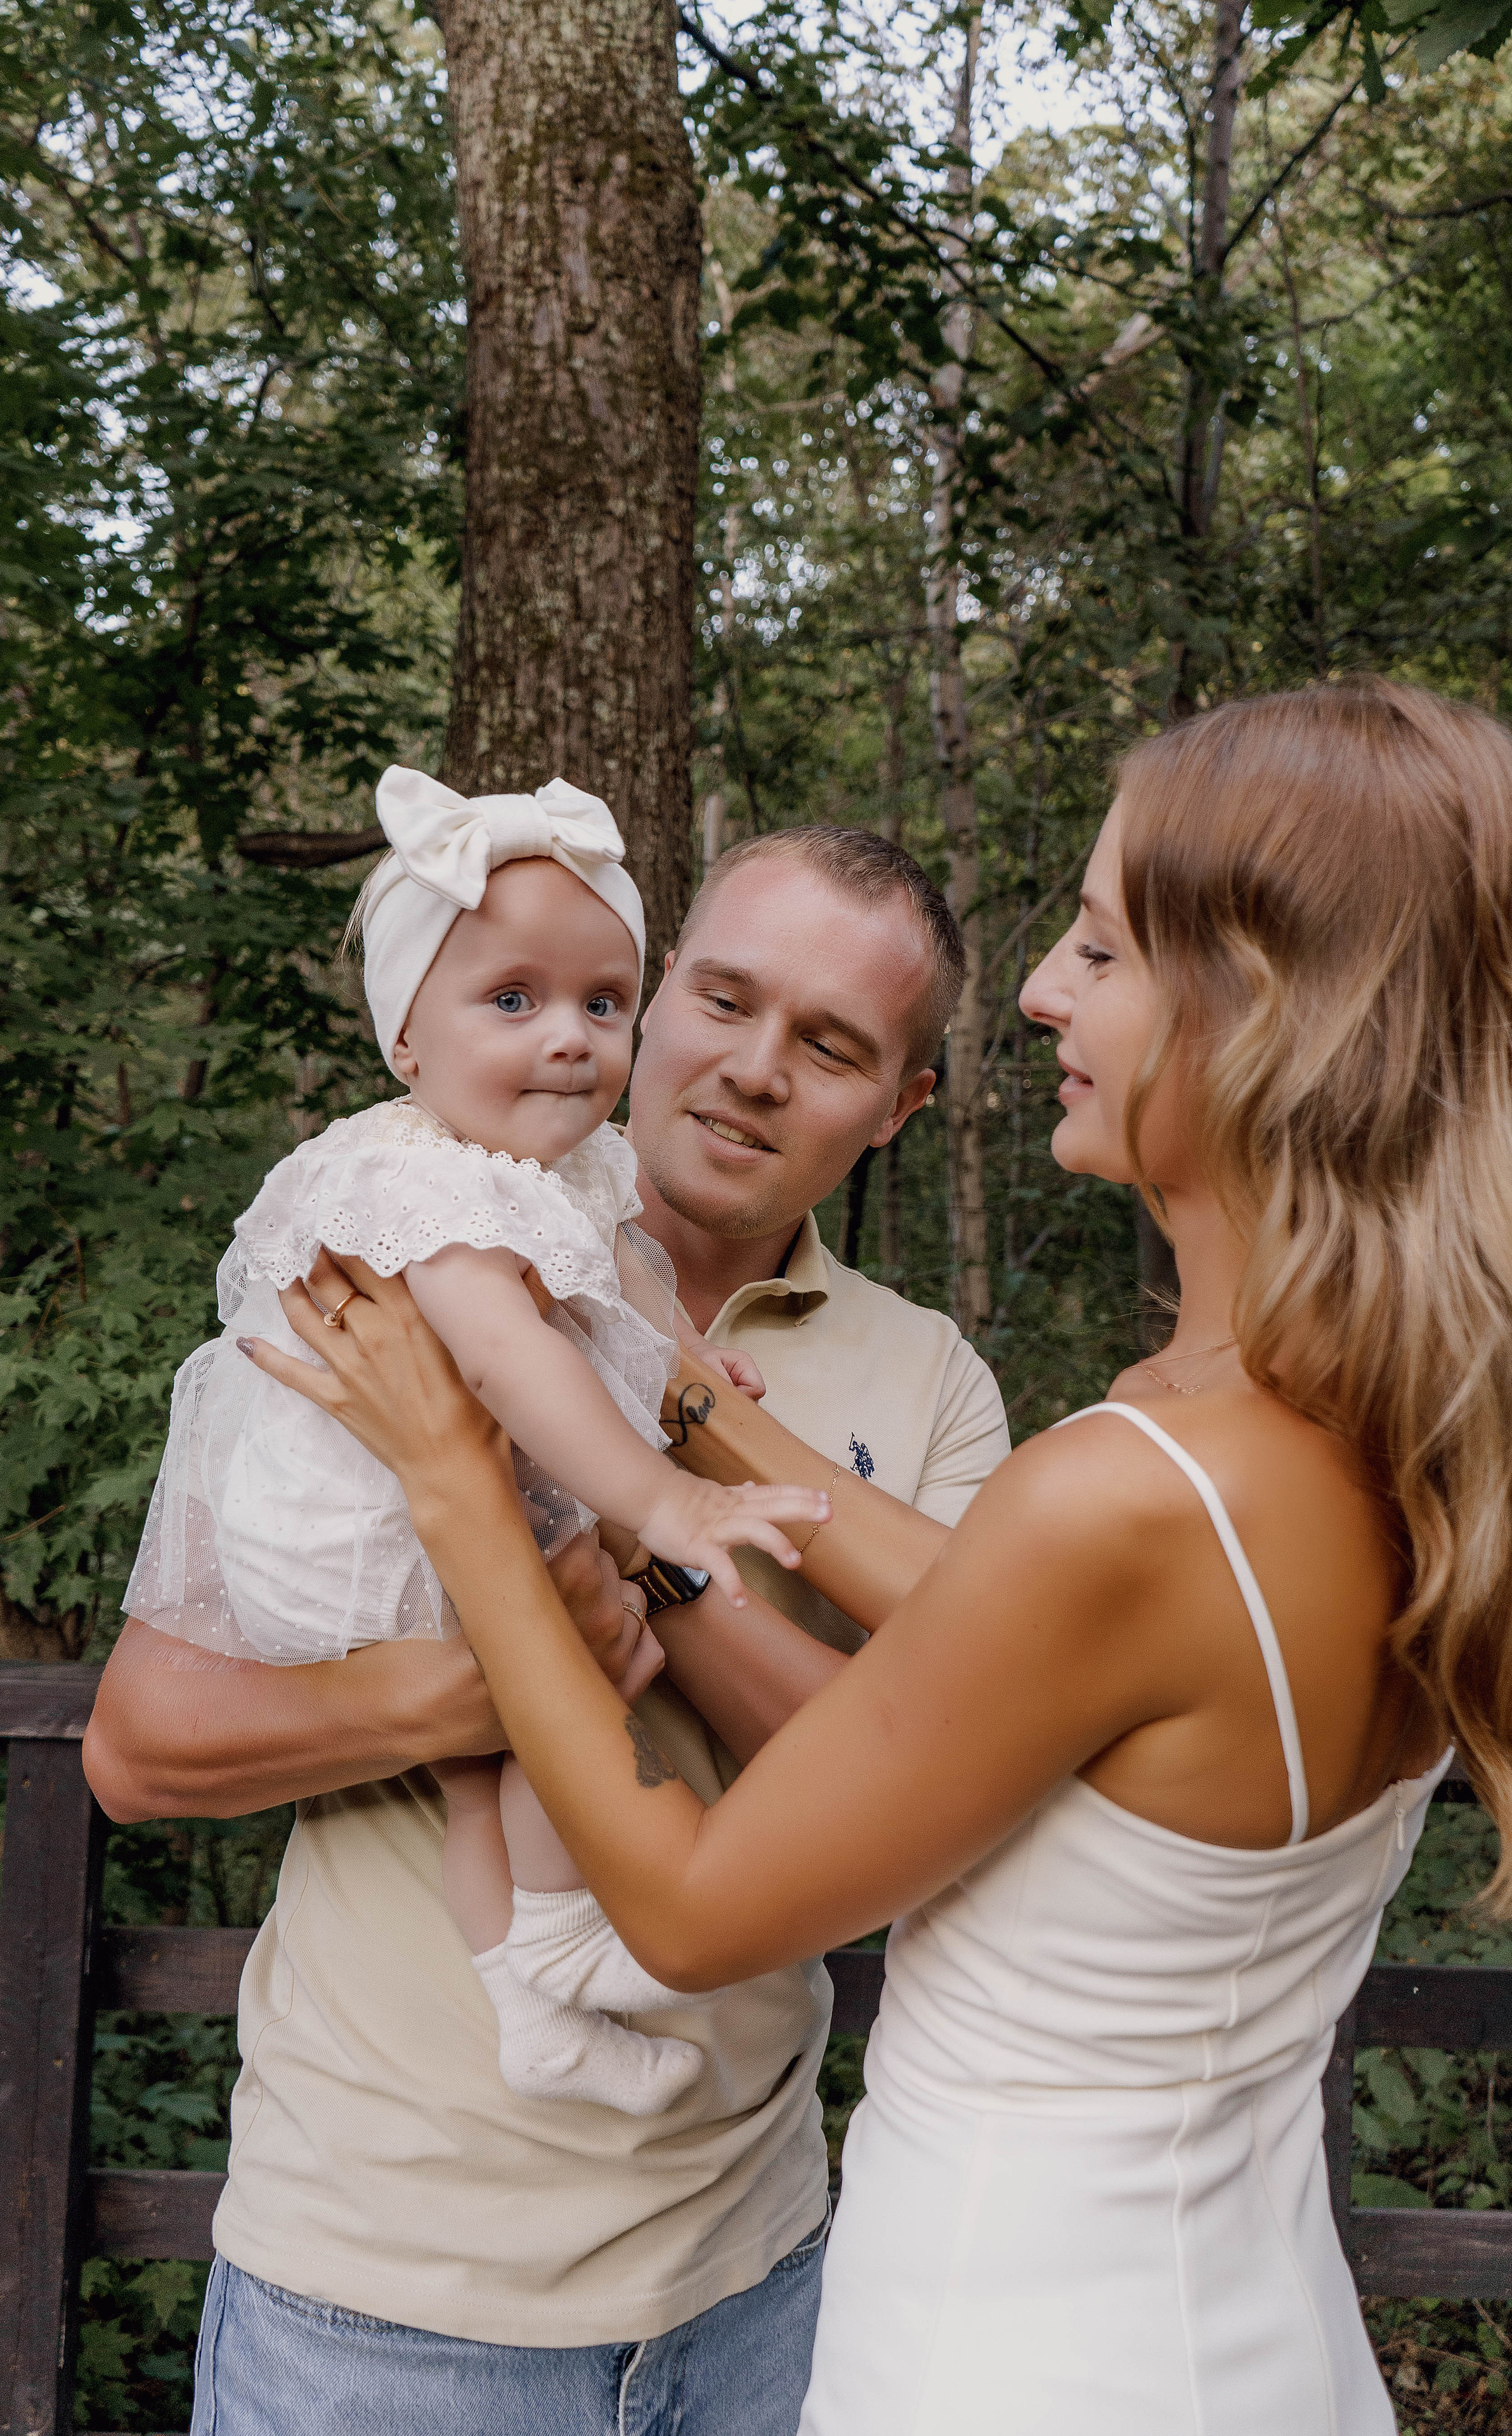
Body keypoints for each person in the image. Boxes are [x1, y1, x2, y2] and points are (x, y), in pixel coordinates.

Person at [254, 680, 1506, 2435]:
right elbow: (998, 1617)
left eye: (1099, 949)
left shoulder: (1128, 1490)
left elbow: (691, 1908)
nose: (1052, 996)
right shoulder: (1386, 1448)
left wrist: (469, 1483)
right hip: (1245, 2329)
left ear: (1264, 1015)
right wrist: (663, 1400)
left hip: (1024, 2361)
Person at [82, 823, 1009, 2433]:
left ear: (900, 1104)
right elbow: (138, 1750)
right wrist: (491, 1670)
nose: (752, 1071)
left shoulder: (932, 1385)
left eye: (834, 1045)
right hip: (373, 2289)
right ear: (660, 1011)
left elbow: (908, 1794)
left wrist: (617, 1531)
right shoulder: (386, 1260)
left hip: (755, 2281)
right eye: (721, 1001)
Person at [124, 766, 826, 2119]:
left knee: (494, 1743)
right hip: (346, 1532)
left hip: (410, 1501)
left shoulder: (557, 1175)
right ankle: (562, 1926)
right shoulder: (417, 1185)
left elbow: (615, 1293)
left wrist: (694, 1374)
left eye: (602, 1004)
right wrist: (667, 1508)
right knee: (568, 1647)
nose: (568, 1037)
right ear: (406, 1041)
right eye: (512, 1001)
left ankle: (525, 2000)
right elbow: (513, 1362)